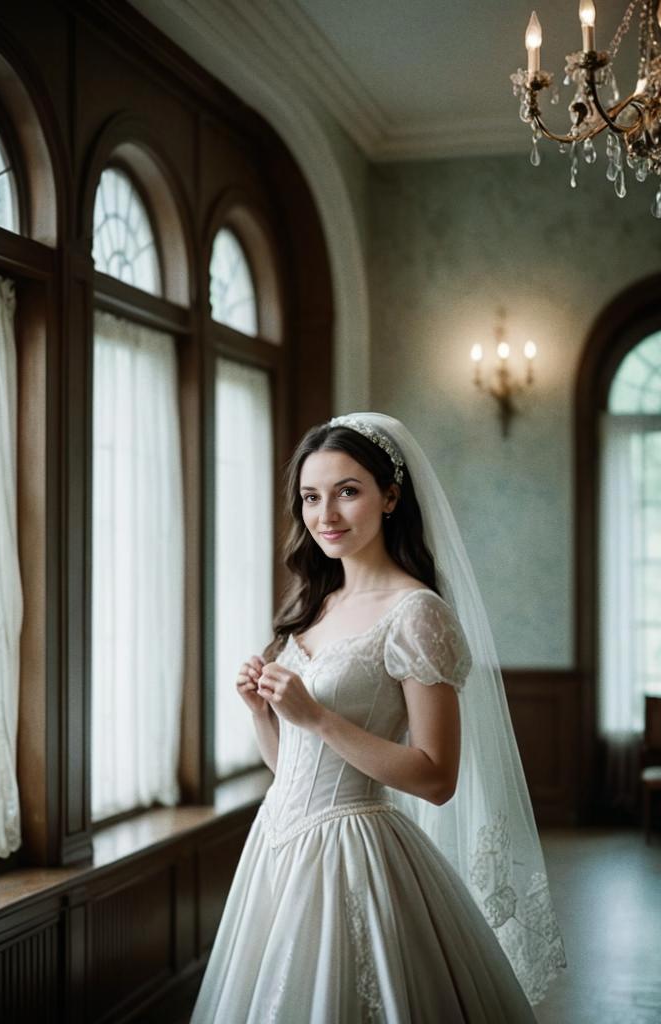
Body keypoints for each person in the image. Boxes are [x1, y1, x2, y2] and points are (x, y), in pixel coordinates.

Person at [192, 412, 566, 1023]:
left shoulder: (417, 613)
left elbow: (436, 777)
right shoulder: (313, 605)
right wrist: (263, 713)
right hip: (276, 850)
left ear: (390, 497)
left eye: (348, 492)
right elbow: (292, 768)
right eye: (311, 497)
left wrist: (313, 716)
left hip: (355, 853)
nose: (326, 515)